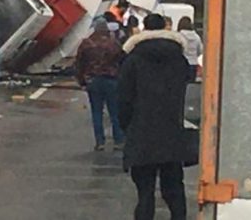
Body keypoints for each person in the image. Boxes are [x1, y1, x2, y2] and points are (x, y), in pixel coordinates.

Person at [119, 14, 189, 220]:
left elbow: (124, 98)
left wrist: (127, 126)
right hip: (171, 131)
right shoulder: (179, 59)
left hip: (142, 132)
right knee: (174, 188)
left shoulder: (133, 59)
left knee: (145, 192)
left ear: (144, 28)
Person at [75, 18, 125, 151]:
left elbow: (79, 64)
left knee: (97, 112)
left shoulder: (87, 43)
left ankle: (100, 141)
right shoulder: (114, 43)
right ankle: (118, 140)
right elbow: (122, 61)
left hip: (93, 80)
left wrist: (82, 81)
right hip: (111, 80)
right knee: (115, 112)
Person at [177, 16, 203, 82]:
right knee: (191, 84)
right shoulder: (196, 37)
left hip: (181, 63)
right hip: (193, 64)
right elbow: (200, 50)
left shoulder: (178, 36)